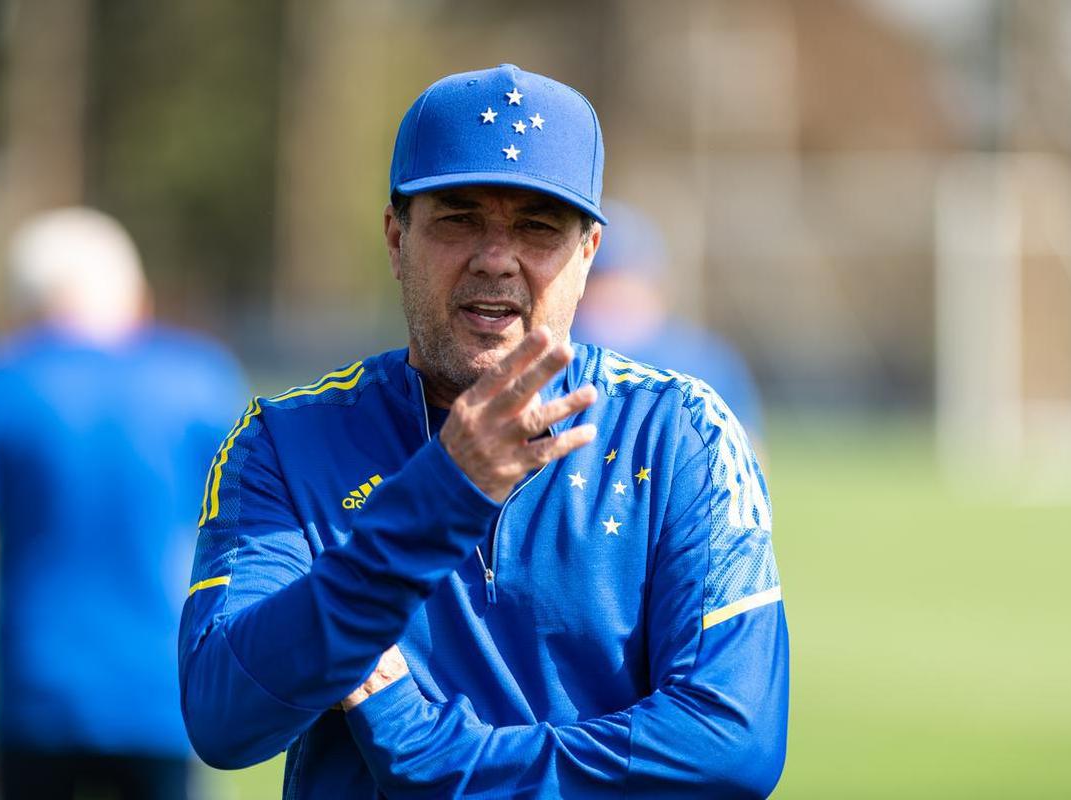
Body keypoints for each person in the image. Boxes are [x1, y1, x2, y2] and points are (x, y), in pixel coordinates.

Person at [180, 64, 788, 798]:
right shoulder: (286, 443)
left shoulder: (679, 431)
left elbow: (732, 744)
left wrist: (435, 753)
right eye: (459, 217)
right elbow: (223, 718)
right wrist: (436, 501)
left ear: (587, 252)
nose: (495, 257)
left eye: (536, 226)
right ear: (395, 235)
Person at [0, 208, 246, 799]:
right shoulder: (202, 380)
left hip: (35, 697)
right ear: (137, 295)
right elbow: (249, 540)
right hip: (165, 694)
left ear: (24, 304)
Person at [572, 199, 765, 442]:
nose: (619, 296)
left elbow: (747, 459)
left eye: (631, 281)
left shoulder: (708, 360)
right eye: (605, 282)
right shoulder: (561, 351)